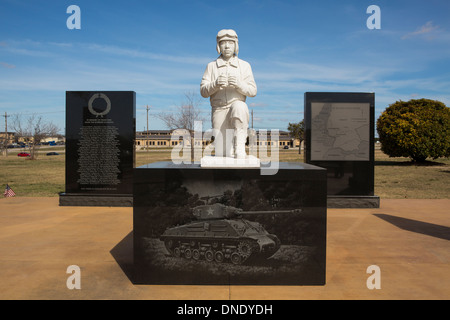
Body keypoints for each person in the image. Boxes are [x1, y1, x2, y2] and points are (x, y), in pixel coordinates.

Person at [200, 29, 257, 158]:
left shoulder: (244, 66)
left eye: (230, 43)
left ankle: (240, 147)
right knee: (222, 154)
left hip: (236, 107)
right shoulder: (211, 66)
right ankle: (228, 149)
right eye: (223, 43)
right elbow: (203, 92)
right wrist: (214, 84)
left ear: (236, 45)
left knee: (240, 106)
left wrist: (239, 84)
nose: (226, 46)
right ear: (218, 46)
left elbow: (253, 91)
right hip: (219, 109)